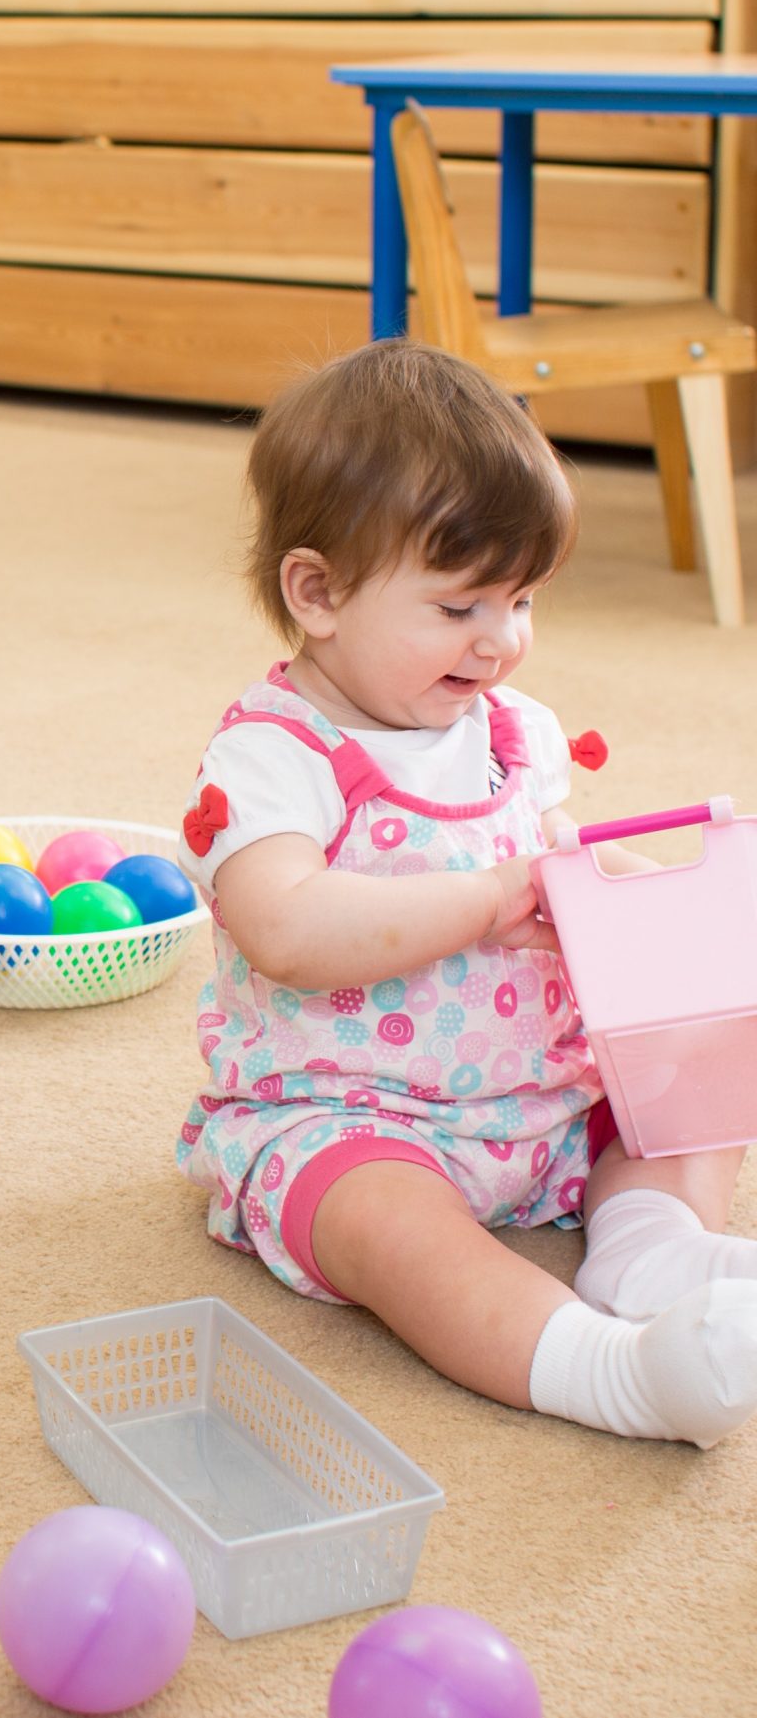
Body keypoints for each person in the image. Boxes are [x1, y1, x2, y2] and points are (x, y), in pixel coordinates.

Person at [180, 339, 757, 1445]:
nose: (500, 640)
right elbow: (287, 928)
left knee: (691, 1071)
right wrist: (489, 897)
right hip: (351, 1114)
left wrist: (690, 929)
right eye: (458, 607)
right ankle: (611, 1369)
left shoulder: (508, 728)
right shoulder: (268, 757)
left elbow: (562, 872)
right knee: (394, 1234)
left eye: (523, 597)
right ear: (319, 592)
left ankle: (651, 1243)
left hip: (536, 1090)